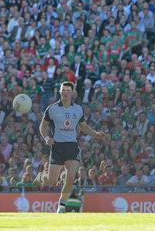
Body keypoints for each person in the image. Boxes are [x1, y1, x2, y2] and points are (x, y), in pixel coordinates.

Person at [34, 81, 106, 213]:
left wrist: (95, 134)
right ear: (60, 92)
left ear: (72, 93)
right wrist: (47, 138)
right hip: (57, 146)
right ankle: (40, 176)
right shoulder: (52, 108)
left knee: (71, 177)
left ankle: (61, 205)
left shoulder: (78, 109)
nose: (65, 92)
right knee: (51, 181)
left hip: (72, 146)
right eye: (63, 90)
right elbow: (43, 126)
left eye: (68, 90)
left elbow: (83, 126)